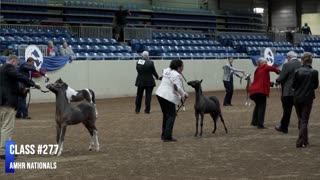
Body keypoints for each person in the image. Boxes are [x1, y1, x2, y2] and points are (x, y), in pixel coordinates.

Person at [0, 55, 40, 159]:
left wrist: (21, 90)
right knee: (7, 128)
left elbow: (8, 86)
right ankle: (3, 152)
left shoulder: (1, 69)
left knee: (2, 127)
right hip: (7, 103)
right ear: (13, 61)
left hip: (2, 102)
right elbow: (19, 76)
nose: (17, 66)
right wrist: (33, 83)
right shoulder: (8, 67)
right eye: (17, 64)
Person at [156, 59, 188, 142]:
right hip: (168, 96)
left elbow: (163, 71)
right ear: (178, 67)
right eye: (182, 67)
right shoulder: (177, 75)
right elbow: (177, 87)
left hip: (160, 94)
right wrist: (184, 94)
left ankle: (164, 135)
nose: (182, 69)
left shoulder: (167, 70)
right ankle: (167, 136)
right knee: (171, 115)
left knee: (166, 115)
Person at [292, 52, 318, 148]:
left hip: (297, 98)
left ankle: (305, 140)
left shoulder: (297, 71)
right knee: (304, 120)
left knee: (301, 119)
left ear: (302, 60)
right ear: (311, 60)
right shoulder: (314, 72)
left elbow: (293, 85)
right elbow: (315, 86)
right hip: (308, 98)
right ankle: (300, 141)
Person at [249, 57, 280, 129]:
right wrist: (279, 71)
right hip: (260, 91)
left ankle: (254, 121)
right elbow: (273, 68)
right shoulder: (264, 66)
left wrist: (270, 83)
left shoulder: (257, 69)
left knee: (258, 105)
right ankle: (260, 124)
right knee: (262, 106)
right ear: (262, 62)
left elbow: (261, 81)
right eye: (265, 61)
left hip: (254, 91)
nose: (266, 63)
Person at [275, 51, 301, 134]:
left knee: (287, 111)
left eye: (287, 57)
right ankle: (302, 127)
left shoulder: (287, 65)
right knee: (300, 111)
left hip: (288, 91)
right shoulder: (301, 64)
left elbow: (282, 77)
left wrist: (277, 80)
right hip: (299, 91)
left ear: (289, 57)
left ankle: (284, 127)